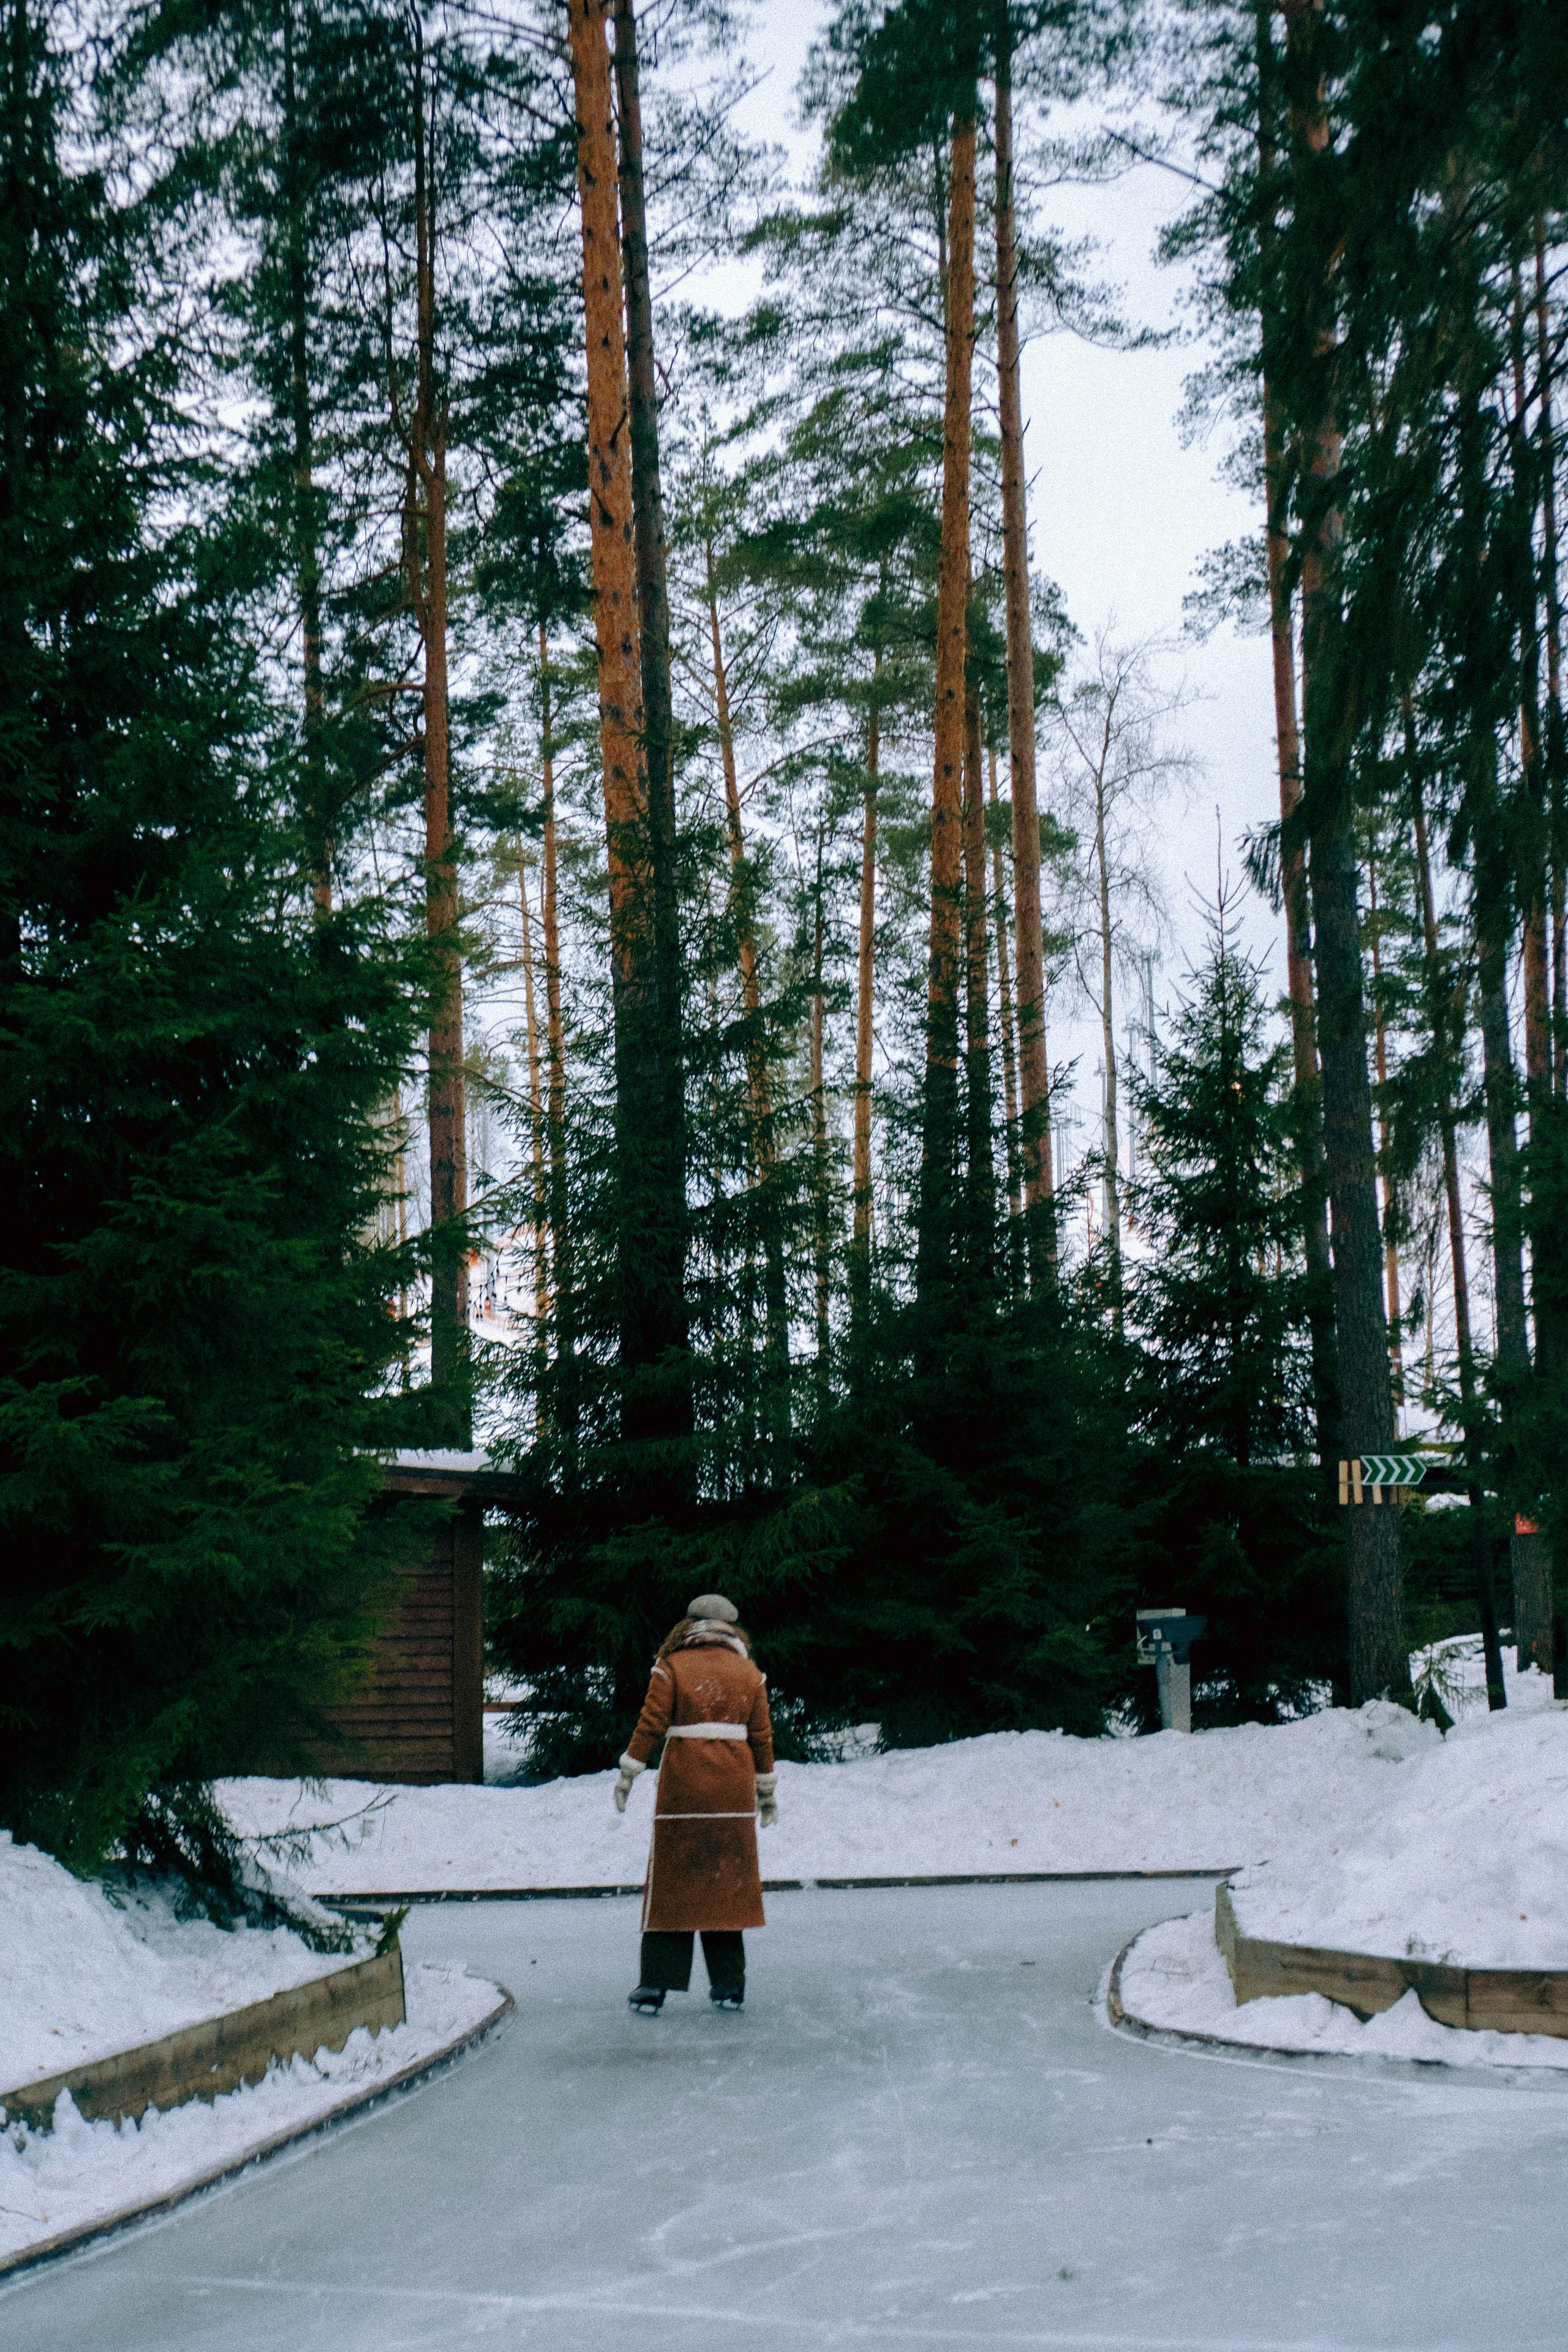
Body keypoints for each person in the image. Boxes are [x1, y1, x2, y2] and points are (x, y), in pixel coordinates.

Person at [612, 1593, 778, 2013]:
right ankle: (729, 1987)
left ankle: (654, 1988)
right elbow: (761, 1738)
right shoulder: (750, 1673)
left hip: (683, 1790)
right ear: (731, 1630)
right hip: (733, 1791)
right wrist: (767, 1794)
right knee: (727, 1885)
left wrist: (629, 1773)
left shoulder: (671, 1667)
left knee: (673, 1884)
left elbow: (650, 1725)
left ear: (690, 1625)